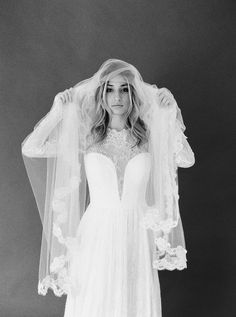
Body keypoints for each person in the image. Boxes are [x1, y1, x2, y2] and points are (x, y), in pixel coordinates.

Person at [21, 58, 195, 317]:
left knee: (133, 298)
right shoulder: (88, 136)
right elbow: (31, 148)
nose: (117, 97)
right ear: (101, 95)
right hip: (97, 232)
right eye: (110, 89)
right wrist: (58, 110)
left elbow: (186, 159)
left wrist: (170, 115)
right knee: (96, 297)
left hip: (136, 231)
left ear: (133, 95)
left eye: (124, 89)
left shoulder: (148, 137)